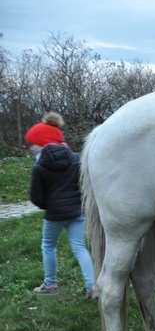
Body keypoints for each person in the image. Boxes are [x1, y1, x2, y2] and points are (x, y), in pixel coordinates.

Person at [26, 112, 99, 300]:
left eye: (32, 144)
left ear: (42, 142)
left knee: (48, 245)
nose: (30, 148)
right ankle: (92, 287)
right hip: (76, 210)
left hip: (54, 214)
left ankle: (50, 284)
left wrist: (47, 204)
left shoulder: (40, 166)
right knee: (80, 247)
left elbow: (36, 196)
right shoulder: (75, 158)